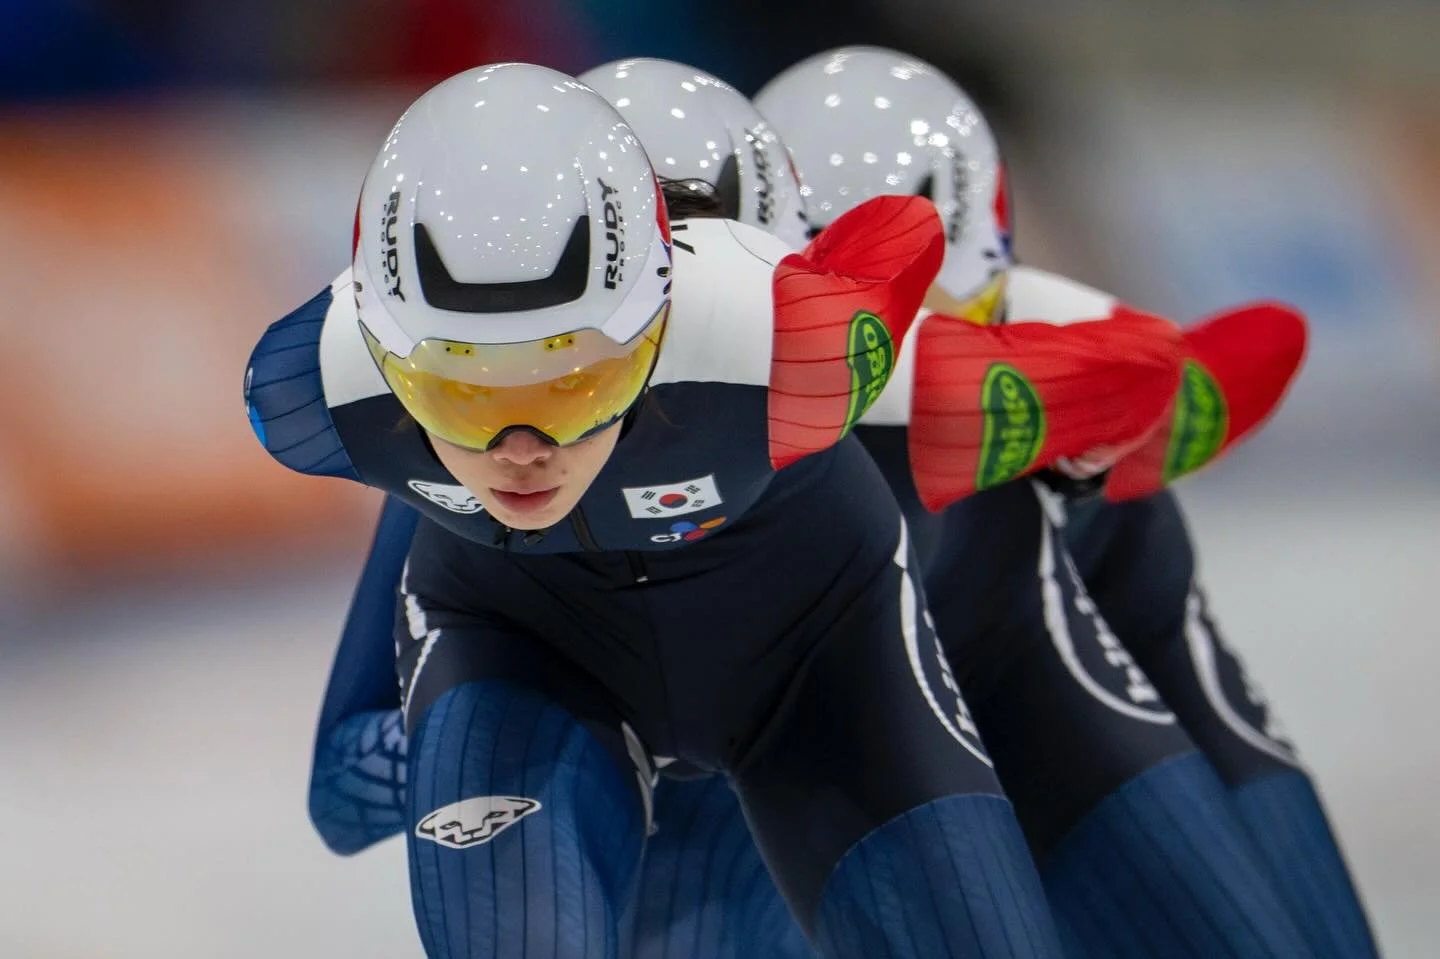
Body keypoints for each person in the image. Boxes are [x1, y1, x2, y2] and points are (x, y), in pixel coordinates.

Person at [246, 61, 1182, 958]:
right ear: (382, 353)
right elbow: (339, 792)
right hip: (529, 660)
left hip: (815, 658)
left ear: (664, 316)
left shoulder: (779, 349)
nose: (519, 450)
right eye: (460, 392)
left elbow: (1152, 373)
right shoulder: (317, 392)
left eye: (577, 383)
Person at [757, 45, 1377, 959]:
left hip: (999, 668)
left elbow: (1228, 364)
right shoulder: (1047, 343)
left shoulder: (1044, 345)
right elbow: (1227, 361)